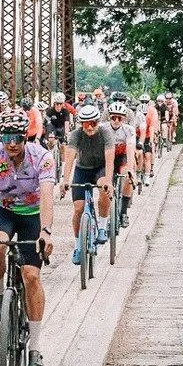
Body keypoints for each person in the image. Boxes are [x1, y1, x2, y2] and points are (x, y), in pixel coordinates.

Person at [0, 104, 56, 366]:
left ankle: (35, 348)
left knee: (31, 276)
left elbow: (47, 196)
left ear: (26, 136)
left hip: (32, 215)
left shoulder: (42, 157)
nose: (12, 144)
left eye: (17, 137)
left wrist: (46, 231)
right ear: (0, 137)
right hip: (3, 211)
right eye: (6, 138)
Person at [61, 99, 115, 256]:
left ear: (98, 122)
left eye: (93, 123)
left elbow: (110, 158)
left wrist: (109, 182)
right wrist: (65, 180)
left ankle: (103, 227)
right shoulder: (76, 135)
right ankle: (78, 246)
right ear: (81, 124)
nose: (90, 127)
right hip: (82, 170)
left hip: (100, 168)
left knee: (104, 188)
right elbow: (70, 157)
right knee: (78, 209)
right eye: (85, 124)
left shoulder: (106, 133)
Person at [108, 97, 136, 227]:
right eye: (114, 117)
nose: (116, 121)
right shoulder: (103, 129)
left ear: (124, 119)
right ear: (109, 117)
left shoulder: (128, 130)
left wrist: (130, 169)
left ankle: (124, 212)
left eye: (120, 118)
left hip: (123, 156)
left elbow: (130, 148)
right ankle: (107, 214)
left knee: (127, 176)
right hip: (108, 158)